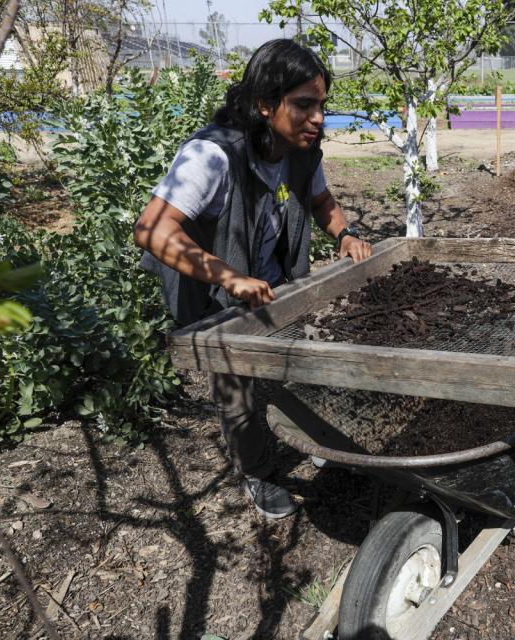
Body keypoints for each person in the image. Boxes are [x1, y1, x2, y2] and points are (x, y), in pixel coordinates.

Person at [134, 40, 373, 519]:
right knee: (237, 388)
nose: (318, 118)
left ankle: (313, 435)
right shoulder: (211, 155)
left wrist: (345, 236)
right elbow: (151, 228)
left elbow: (322, 203)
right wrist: (229, 277)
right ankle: (257, 472)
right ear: (265, 104)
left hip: (273, 281)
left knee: (300, 360)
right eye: (304, 105)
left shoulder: (302, 152)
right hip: (211, 291)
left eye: (321, 105)